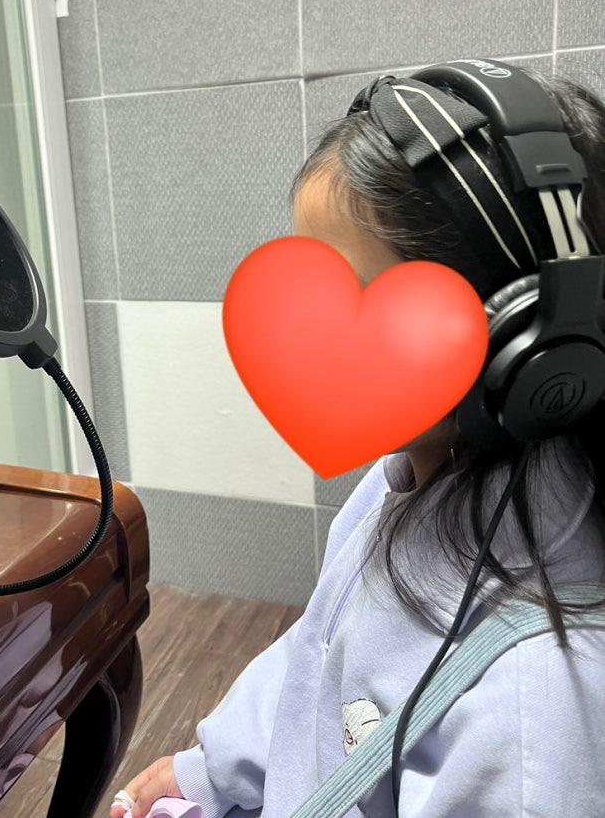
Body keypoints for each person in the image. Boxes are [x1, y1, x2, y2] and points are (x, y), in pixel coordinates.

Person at [110, 62, 605, 818]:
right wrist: (211, 771)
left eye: (370, 305)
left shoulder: (531, 712)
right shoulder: (407, 471)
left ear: (525, 348)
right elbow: (320, 648)